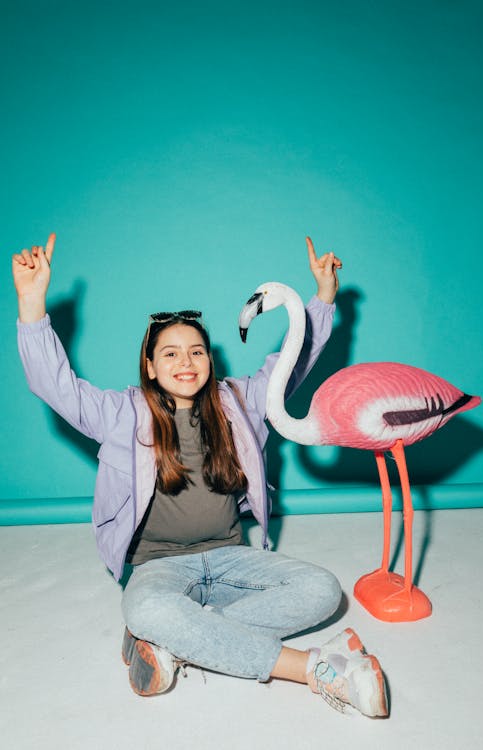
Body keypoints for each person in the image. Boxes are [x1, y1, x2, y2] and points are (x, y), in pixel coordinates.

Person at [13, 233, 388, 718]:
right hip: (159, 568)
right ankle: (318, 668)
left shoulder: (241, 403)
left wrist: (322, 299)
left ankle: (174, 643)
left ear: (210, 360)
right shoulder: (118, 414)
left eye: (196, 351)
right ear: (149, 366)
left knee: (322, 590)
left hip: (232, 560)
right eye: (169, 353)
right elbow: (55, 386)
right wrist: (31, 303)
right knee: (146, 610)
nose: (185, 362)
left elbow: (291, 366)